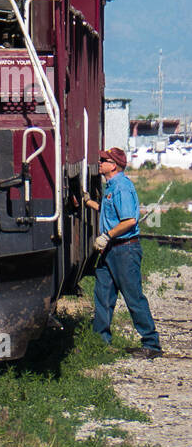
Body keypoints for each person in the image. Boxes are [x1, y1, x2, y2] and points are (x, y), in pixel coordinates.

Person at [85, 147, 162, 357]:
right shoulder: (111, 187)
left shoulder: (122, 188)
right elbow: (109, 211)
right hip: (111, 251)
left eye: (103, 160)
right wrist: (87, 202)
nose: (99, 162)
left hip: (124, 250)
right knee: (103, 295)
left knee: (133, 297)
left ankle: (151, 344)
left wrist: (107, 235)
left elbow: (129, 220)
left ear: (114, 165)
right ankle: (100, 342)